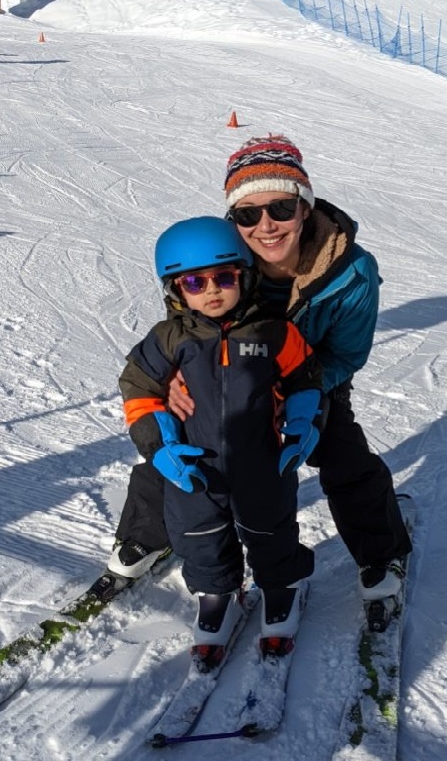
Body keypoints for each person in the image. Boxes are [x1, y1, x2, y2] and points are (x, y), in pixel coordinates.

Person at [106, 135, 412, 615]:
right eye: (247, 214)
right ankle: (148, 534)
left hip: (311, 381)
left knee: (341, 453)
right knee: (180, 442)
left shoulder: (352, 271)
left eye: (281, 209)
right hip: (228, 381)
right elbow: (187, 326)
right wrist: (174, 383)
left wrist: (287, 394)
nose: (265, 226)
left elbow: (346, 354)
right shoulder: (224, 256)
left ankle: (382, 551)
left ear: (304, 209)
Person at [116, 215, 323, 666]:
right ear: (176, 289)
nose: (212, 290)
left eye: (224, 277)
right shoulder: (169, 339)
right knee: (199, 535)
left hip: (264, 463)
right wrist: (160, 446)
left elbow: (306, 381)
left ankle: (281, 587)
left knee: (270, 530)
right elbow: (139, 389)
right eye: (194, 281)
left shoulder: (273, 333)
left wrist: (305, 424)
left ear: (244, 276)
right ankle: (217, 596)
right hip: (195, 467)